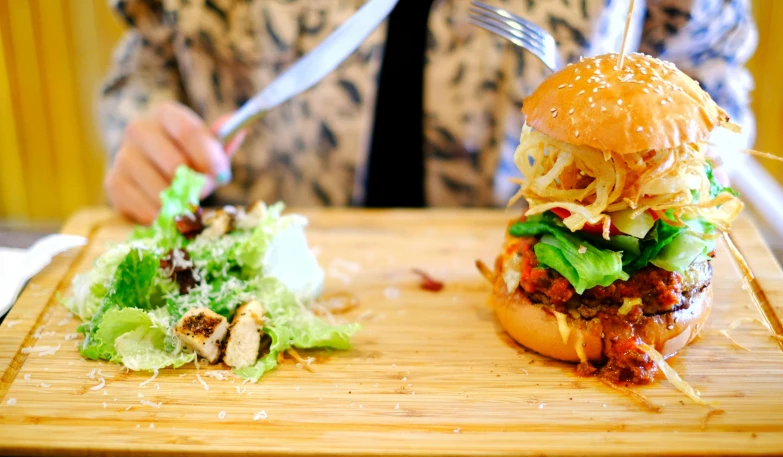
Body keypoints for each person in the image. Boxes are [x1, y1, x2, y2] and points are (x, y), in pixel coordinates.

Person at [98, 0, 757, 224]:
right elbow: (149, 54)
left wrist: (669, 175)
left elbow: (711, 86)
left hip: (540, 336)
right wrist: (147, 128)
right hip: (254, 287)